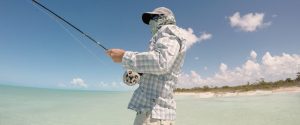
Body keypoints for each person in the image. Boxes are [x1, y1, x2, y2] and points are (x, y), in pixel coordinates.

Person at [106, 7, 187, 125]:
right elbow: (159, 70)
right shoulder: (162, 37)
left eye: (154, 18)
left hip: (153, 114)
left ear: (165, 18)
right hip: (153, 114)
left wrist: (124, 56)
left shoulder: (168, 29)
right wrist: (138, 74)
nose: (151, 23)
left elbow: (161, 62)